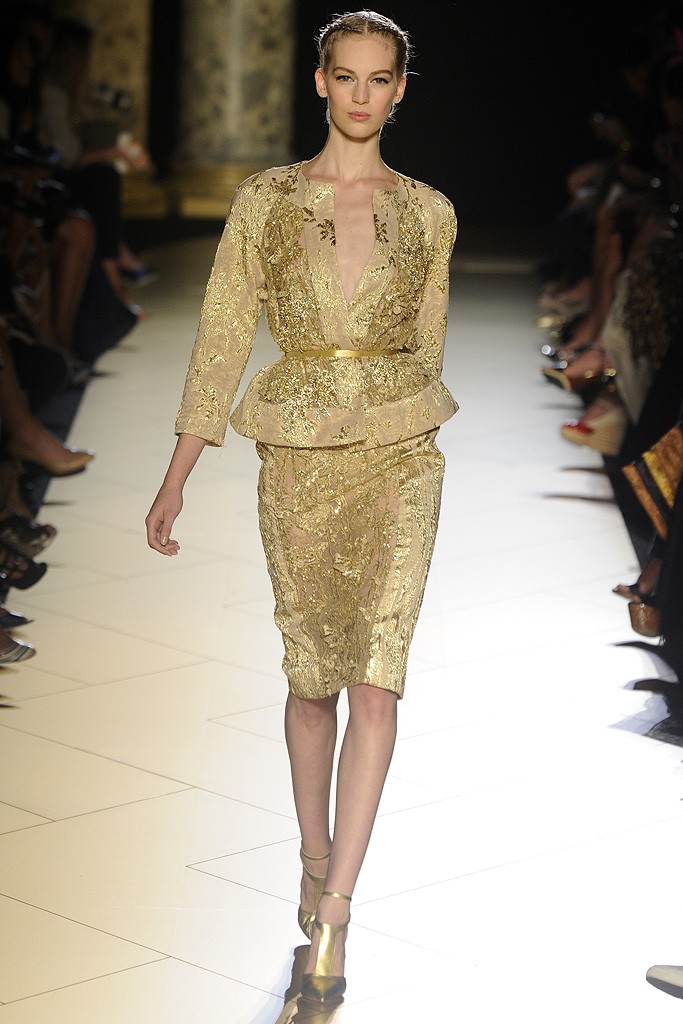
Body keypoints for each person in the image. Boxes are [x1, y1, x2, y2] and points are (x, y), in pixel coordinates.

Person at [145, 10, 457, 1008]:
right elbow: (224, 332)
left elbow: (427, 352)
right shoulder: (266, 201)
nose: (362, 94)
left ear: (399, 89)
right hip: (297, 456)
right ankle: (312, 852)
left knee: (378, 679)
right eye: (345, 76)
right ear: (319, 82)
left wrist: (407, 436)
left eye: (379, 78)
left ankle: (335, 915)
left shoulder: (430, 214)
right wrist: (179, 470)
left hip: (401, 456)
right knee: (313, 676)